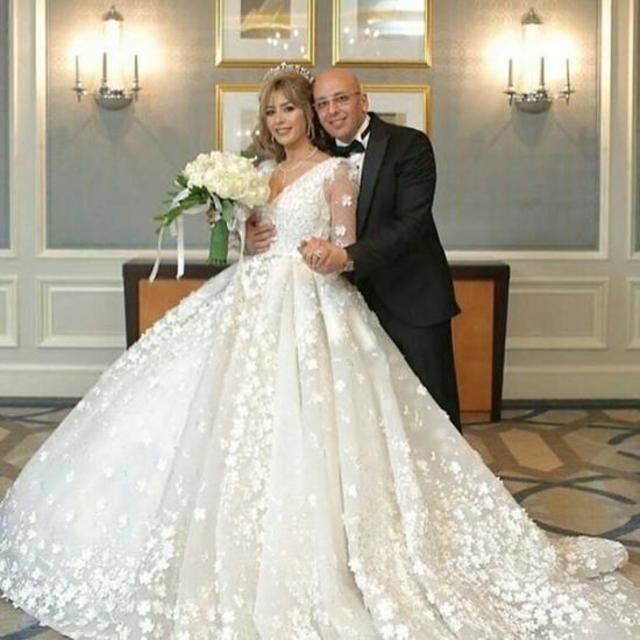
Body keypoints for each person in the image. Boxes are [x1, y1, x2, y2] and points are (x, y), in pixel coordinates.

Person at [0, 66, 638, 640]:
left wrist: (326, 256)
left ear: (319, 110)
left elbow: (345, 242)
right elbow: (254, 241)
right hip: (250, 296)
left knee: (332, 427)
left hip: (313, 300)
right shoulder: (261, 174)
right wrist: (242, 230)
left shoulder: (339, 171)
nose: (281, 119)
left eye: (291, 107)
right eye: (271, 110)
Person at [248, 68, 462, 431]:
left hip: (410, 296)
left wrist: (347, 257)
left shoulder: (408, 145)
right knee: (364, 420)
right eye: (322, 103)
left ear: (363, 101)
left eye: (341, 99)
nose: (332, 110)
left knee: (432, 412)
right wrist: (248, 231)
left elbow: (412, 224)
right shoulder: (317, 156)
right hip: (342, 301)